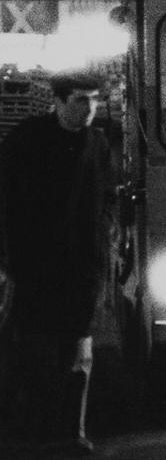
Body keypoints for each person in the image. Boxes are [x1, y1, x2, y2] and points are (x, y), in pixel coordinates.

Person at [1, 72, 113, 455]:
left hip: (83, 268)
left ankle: (73, 432)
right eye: (81, 100)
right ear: (60, 101)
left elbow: (105, 199)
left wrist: (107, 245)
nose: (89, 108)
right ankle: (35, 429)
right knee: (36, 352)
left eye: (94, 100)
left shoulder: (97, 143)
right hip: (36, 265)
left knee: (79, 355)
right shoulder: (28, 139)